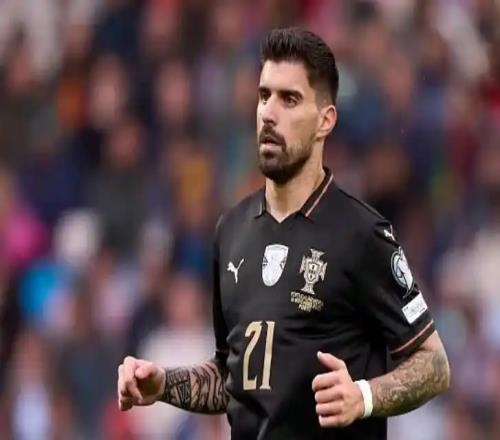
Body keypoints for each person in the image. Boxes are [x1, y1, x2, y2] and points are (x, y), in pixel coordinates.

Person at [117, 27, 450, 440]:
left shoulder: (362, 235)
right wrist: (164, 385)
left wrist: (363, 396)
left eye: (289, 99)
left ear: (325, 121)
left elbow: (434, 364)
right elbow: (232, 378)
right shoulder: (231, 231)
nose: (269, 113)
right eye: (264, 96)